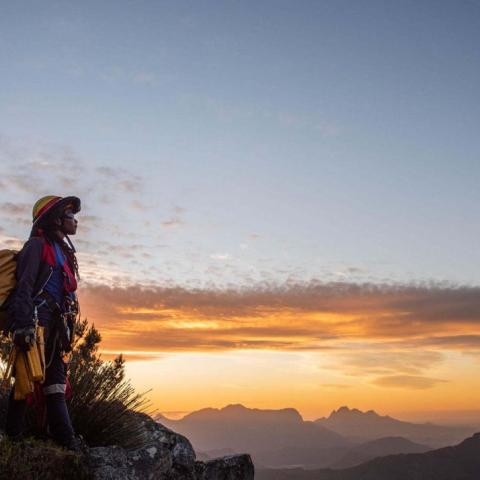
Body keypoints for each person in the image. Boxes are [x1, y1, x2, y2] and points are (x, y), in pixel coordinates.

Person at [5, 195, 81, 450]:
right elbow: (24, 287)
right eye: (71, 215)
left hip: (57, 327)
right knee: (25, 380)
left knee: (55, 383)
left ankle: (66, 441)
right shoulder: (36, 246)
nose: (76, 221)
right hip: (37, 323)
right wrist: (24, 324)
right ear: (56, 219)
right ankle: (12, 438)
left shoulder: (62, 252)